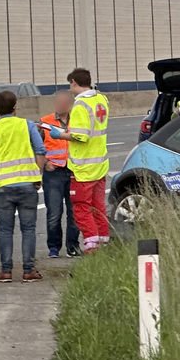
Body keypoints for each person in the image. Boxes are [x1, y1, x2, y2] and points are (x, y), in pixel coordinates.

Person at [0, 90, 46, 283]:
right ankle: (28, 271)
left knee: (5, 230)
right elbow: (40, 150)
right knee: (28, 229)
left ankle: (6, 271)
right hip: (27, 185)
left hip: (3, 187)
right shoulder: (26, 125)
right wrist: (38, 176)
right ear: (15, 106)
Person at [63, 67, 111, 253]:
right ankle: (103, 244)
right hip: (100, 164)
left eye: (70, 84)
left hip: (84, 168)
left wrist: (59, 134)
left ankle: (92, 248)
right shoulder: (101, 99)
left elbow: (80, 136)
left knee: (82, 209)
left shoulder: (80, 105)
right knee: (98, 207)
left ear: (74, 82)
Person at [37, 89, 82, 258]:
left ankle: (73, 246)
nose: (61, 105)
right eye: (58, 102)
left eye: (64, 102)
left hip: (74, 171)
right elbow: (37, 148)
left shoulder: (78, 121)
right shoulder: (45, 122)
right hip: (53, 172)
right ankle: (54, 247)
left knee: (74, 212)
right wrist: (45, 164)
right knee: (54, 212)